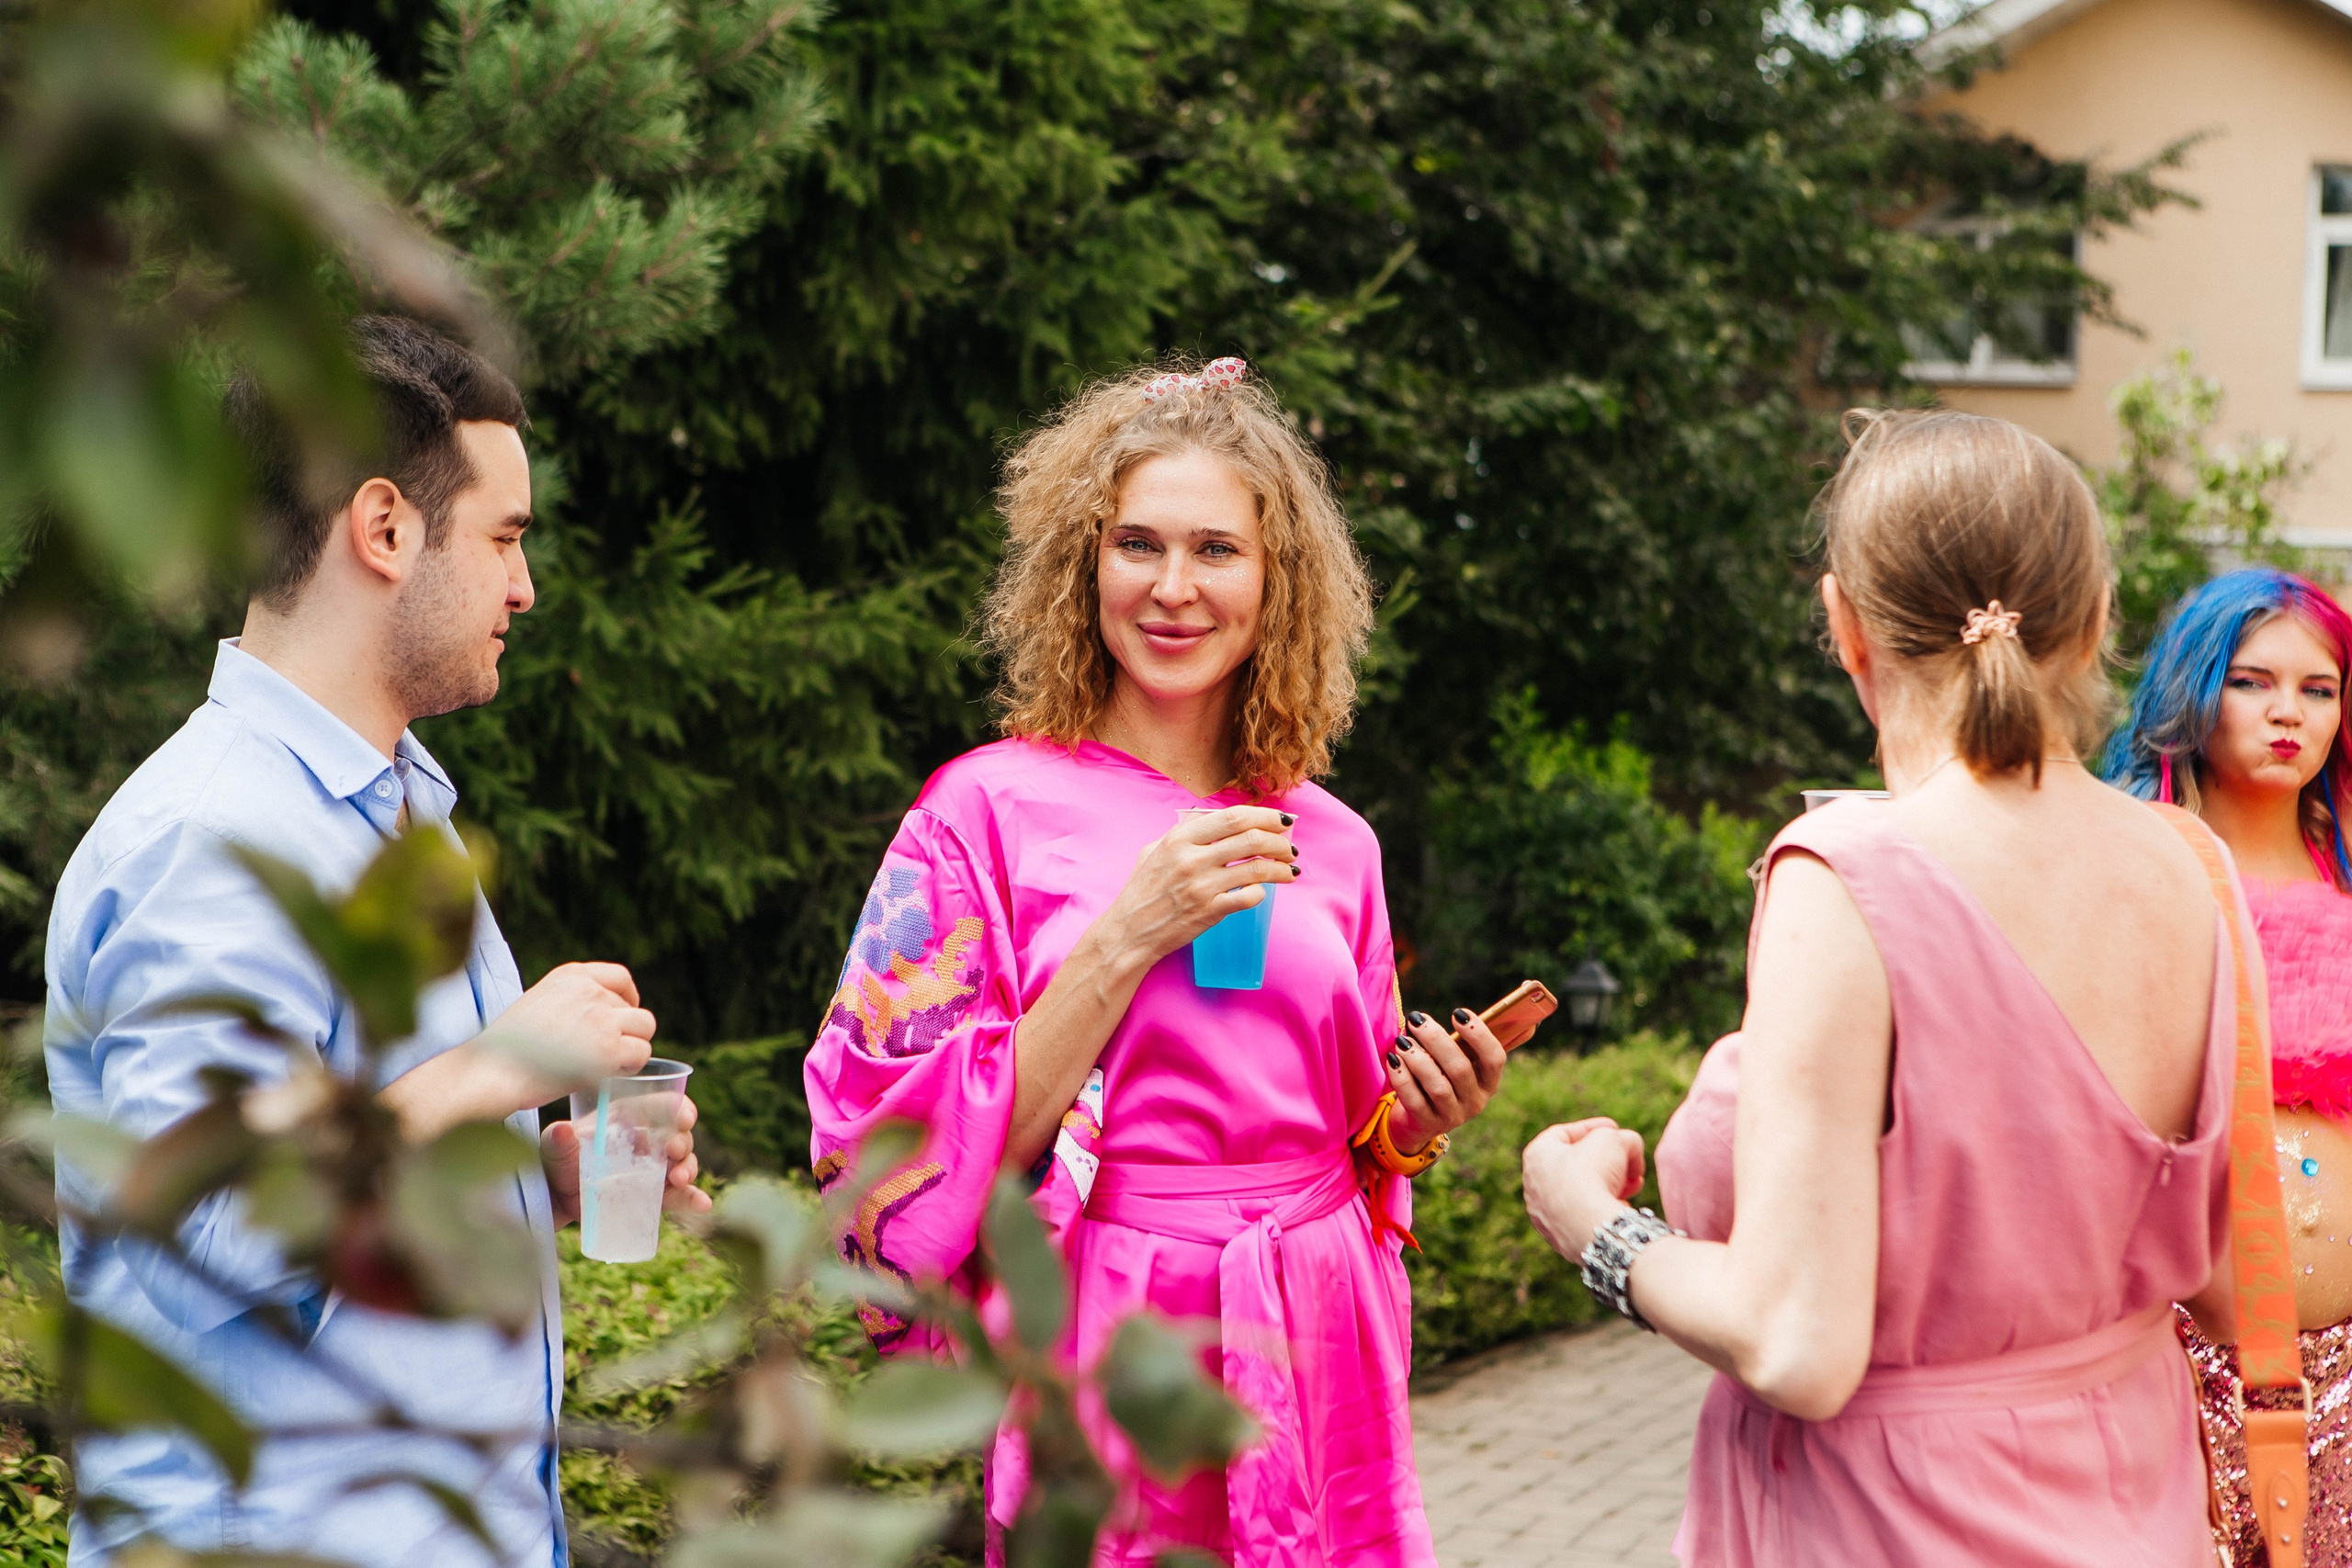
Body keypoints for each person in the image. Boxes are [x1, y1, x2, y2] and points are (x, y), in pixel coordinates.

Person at [803, 356, 1510, 1565]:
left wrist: (1418, 1122)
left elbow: (1362, 1138)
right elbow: (878, 1158)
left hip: (1316, 1331)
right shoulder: (978, 813)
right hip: (1110, 1331)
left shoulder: (1334, 841)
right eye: (1138, 543)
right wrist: (1130, 929)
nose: (1175, 587)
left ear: (1276, 579)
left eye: (1217, 550)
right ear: (1082, 565)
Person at [1519, 410, 2239, 1564]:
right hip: (2136, 1513)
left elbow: (1797, 1346)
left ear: (1843, 624)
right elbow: (2222, 1278)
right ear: (2097, 617)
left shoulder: (1846, 874)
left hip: (1891, 1525)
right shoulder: (2192, 868)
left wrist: (1591, 1224)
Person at [45, 316, 709, 1567]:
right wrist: (498, 1066)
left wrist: (541, 1167)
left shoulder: (402, 808)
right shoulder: (212, 841)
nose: (526, 585)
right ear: (385, 526)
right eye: (506, 537)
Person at [2103, 565, 2352, 1565]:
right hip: (2167, 1365)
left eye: (2319, 688)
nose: (2286, 712)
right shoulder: (2132, 869)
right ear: (2192, 687)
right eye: (2251, 681)